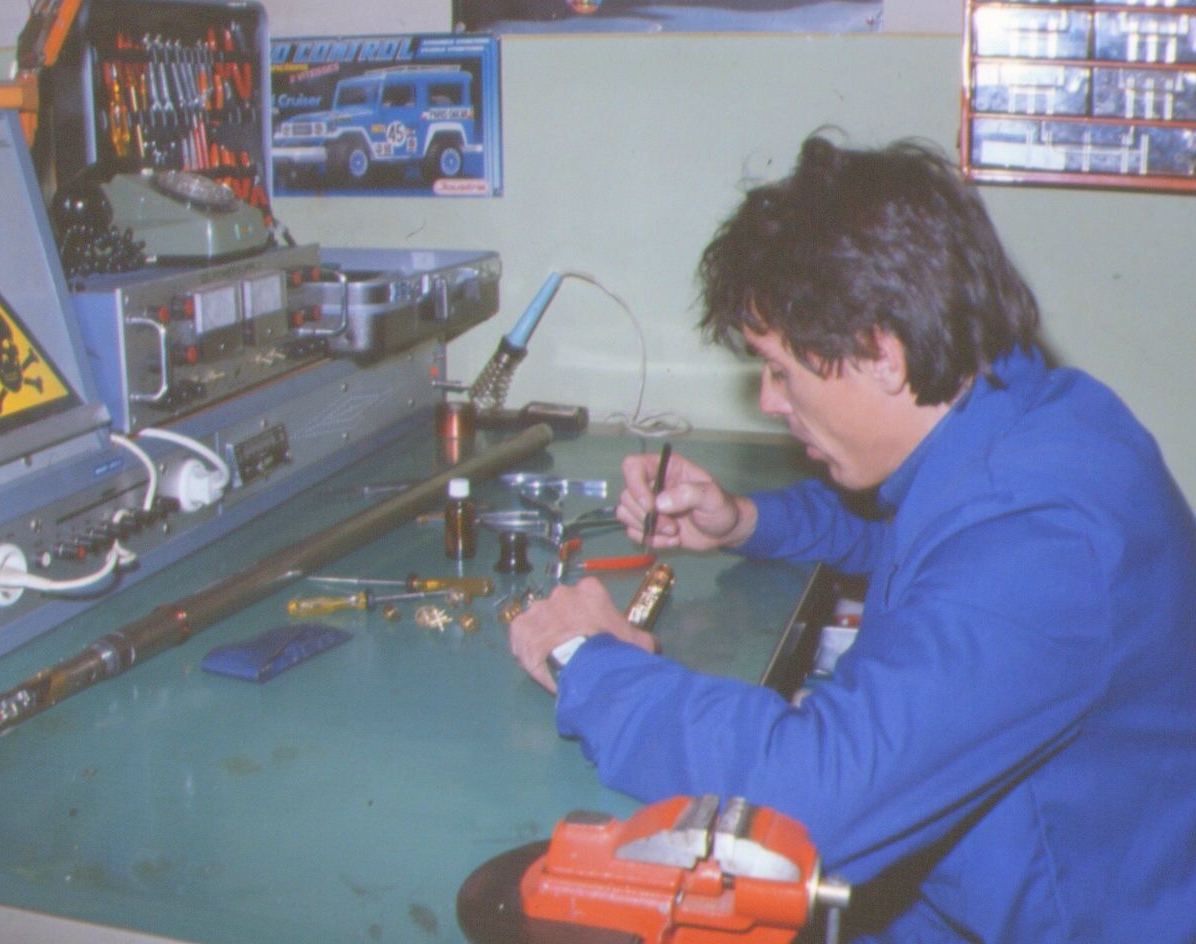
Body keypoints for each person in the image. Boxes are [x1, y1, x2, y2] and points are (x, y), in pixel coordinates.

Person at [508, 133, 1196, 942]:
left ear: (880, 352)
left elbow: (805, 801)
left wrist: (590, 661)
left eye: (780, 369)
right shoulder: (1019, 410)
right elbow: (917, 536)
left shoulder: (1043, 536)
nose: (770, 401)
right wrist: (745, 520)